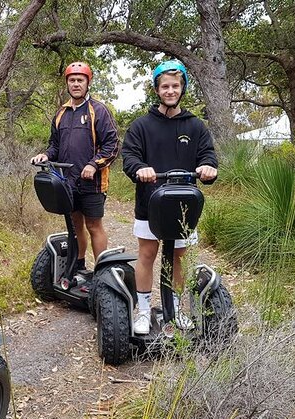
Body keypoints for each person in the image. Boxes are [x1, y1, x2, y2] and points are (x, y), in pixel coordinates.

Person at [121, 59, 218, 335]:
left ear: (182, 88)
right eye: (165, 86)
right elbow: (130, 157)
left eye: (175, 86)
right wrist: (141, 169)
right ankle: (142, 310)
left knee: (178, 256)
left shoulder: (195, 126)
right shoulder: (142, 126)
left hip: (185, 205)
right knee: (147, 253)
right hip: (150, 203)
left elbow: (208, 155)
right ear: (157, 89)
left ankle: (173, 310)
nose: (170, 91)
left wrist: (208, 168)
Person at [30, 61, 119, 272]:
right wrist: (45, 155)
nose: (76, 84)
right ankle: (78, 267)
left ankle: (102, 273)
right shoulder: (61, 112)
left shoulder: (98, 110)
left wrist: (93, 165)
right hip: (67, 182)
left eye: (80, 80)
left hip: (93, 182)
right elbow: (55, 145)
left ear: (88, 83)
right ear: (67, 84)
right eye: (72, 80)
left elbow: (112, 145)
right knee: (75, 225)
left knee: (94, 226)